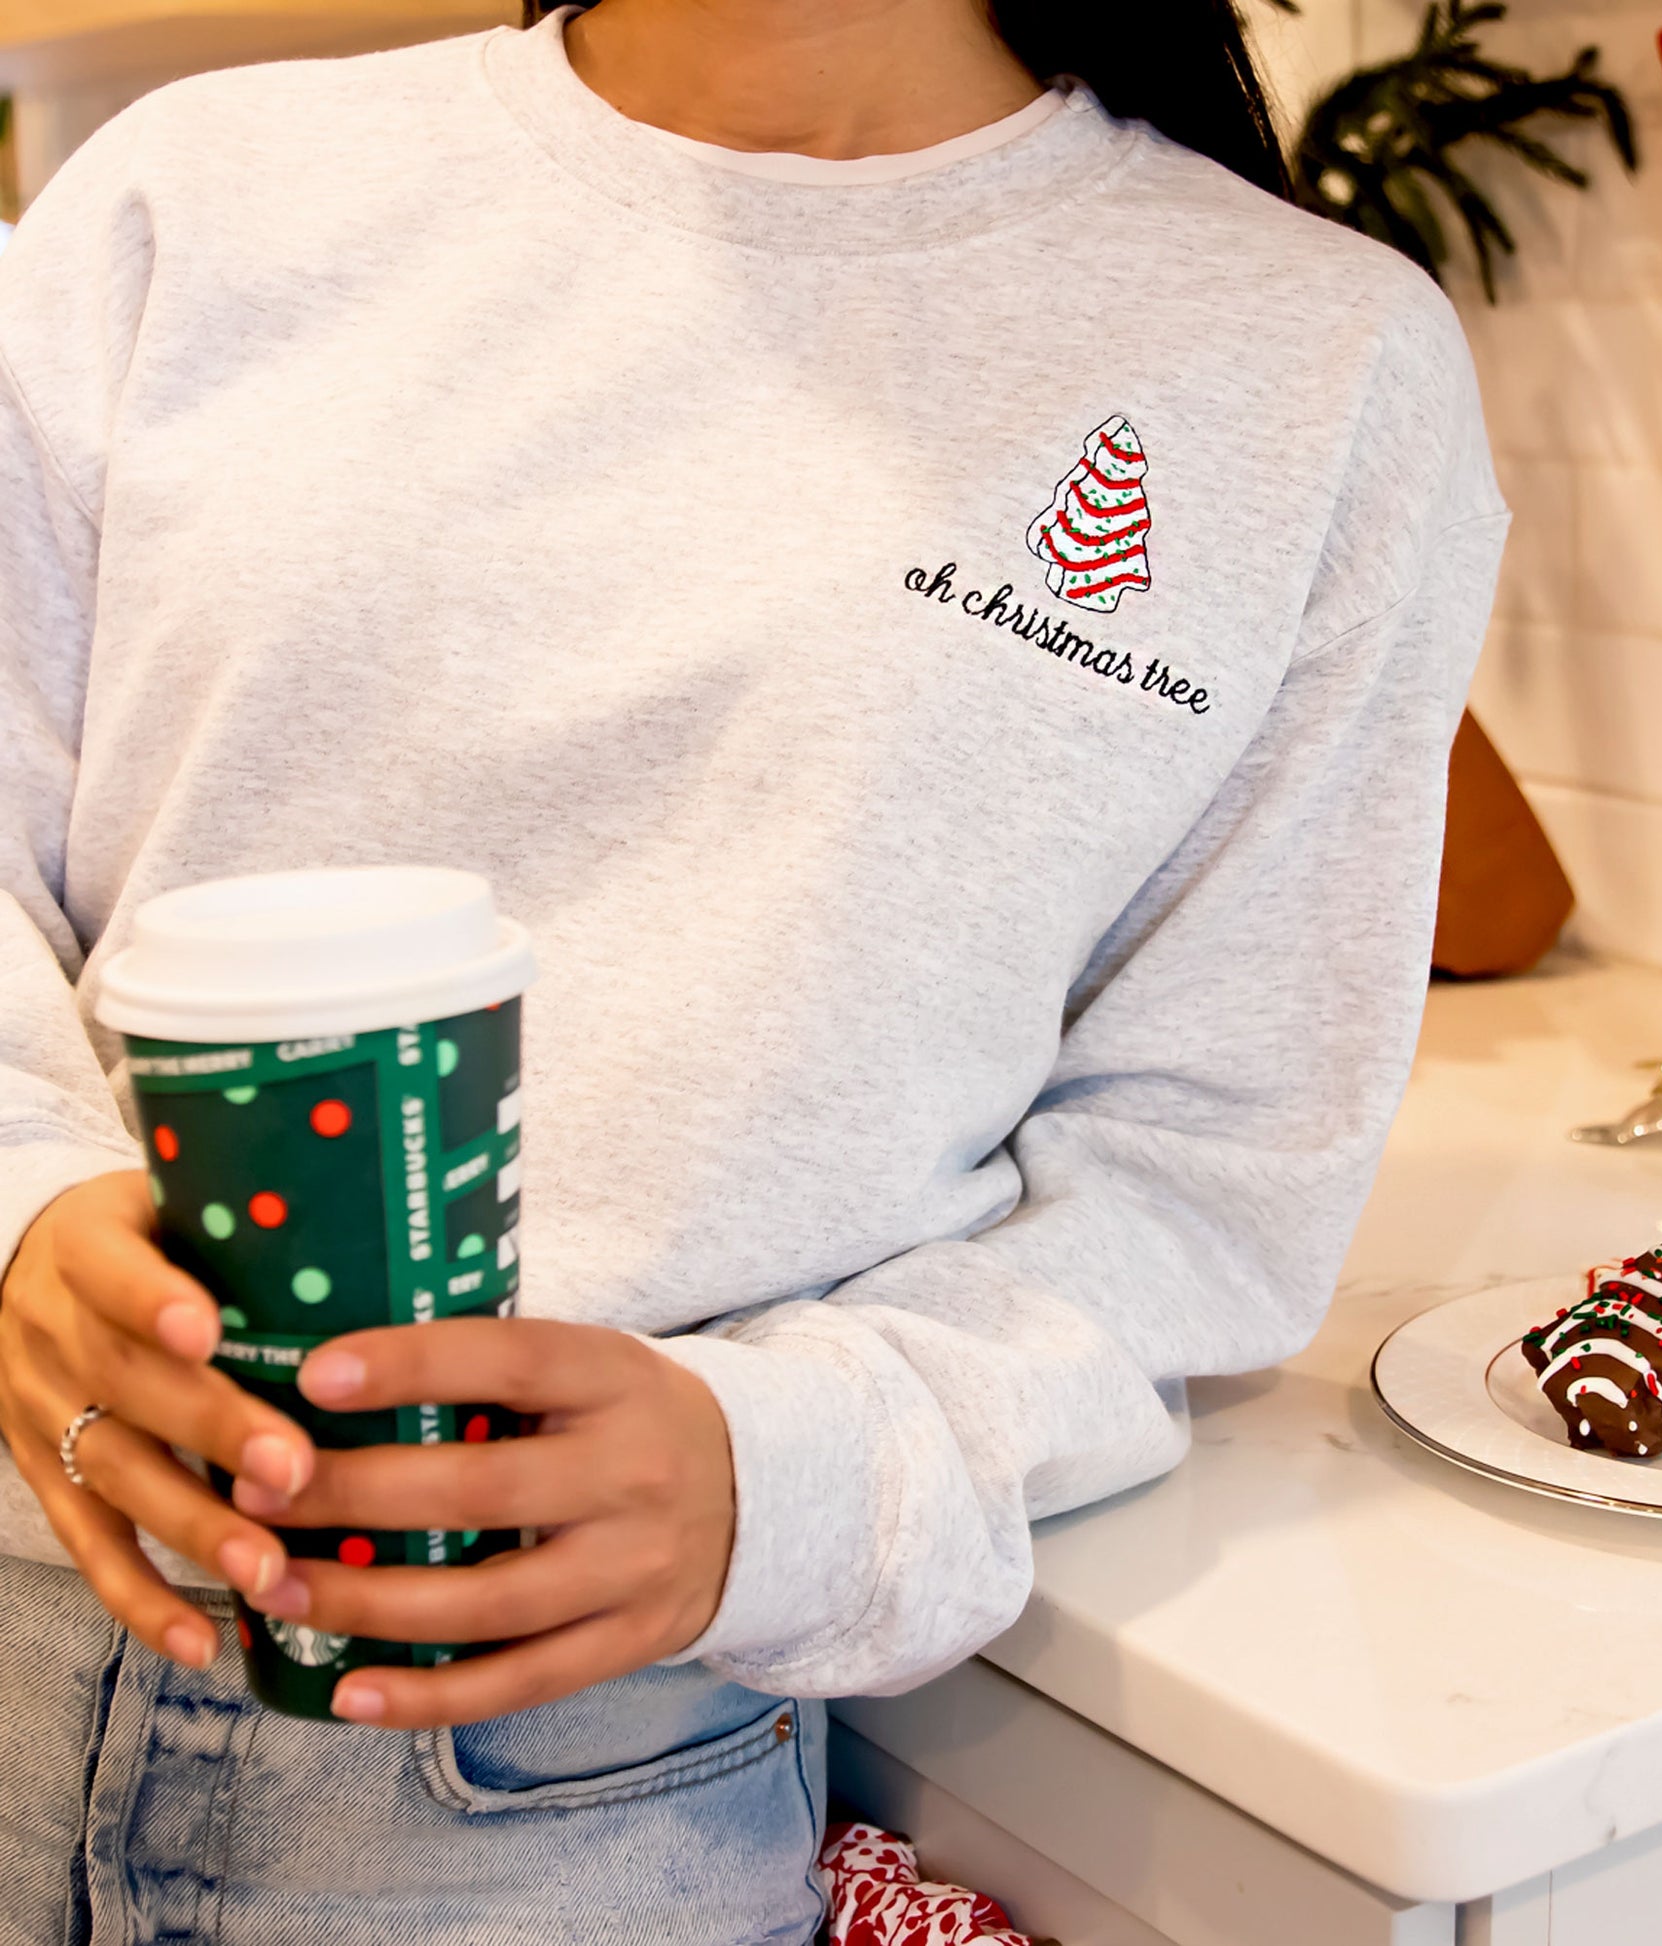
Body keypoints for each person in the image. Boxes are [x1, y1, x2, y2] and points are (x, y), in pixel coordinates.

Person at [0, 0, 1507, 1939]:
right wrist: (27, 1217)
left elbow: (1196, 1205)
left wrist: (778, 1477)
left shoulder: (1314, 369)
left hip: (568, 1771)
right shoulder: (184, 202)